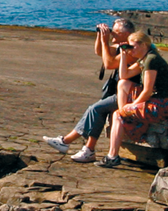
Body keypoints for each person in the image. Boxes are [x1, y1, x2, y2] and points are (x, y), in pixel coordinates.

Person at [43, 18, 137, 162]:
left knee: (95, 109)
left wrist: (106, 42)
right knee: (94, 109)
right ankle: (67, 142)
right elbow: (99, 51)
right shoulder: (121, 45)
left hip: (131, 94)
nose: (113, 36)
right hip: (121, 92)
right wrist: (100, 36)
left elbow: (109, 63)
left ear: (128, 34)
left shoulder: (132, 49)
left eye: (116, 33)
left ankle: (86, 149)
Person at [98, 32, 168, 168]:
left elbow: (147, 91)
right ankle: (126, 117)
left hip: (160, 105)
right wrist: (123, 57)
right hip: (153, 100)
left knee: (117, 114)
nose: (131, 50)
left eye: (132, 47)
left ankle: (112, 156)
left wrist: (131, 106)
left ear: (143, 45)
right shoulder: (145, 59)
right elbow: (124, 75)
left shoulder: (151, 60)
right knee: (123, 83)